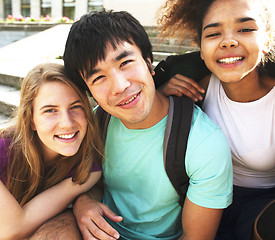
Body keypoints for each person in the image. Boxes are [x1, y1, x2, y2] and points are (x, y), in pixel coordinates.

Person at [61, 10, 233, 240]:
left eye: (126, 62)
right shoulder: (96, 123)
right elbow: (92, 180)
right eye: (98, 78)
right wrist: (84, 201)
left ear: (149, 63)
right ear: (89, 92)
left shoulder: (204, 143)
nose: (120, 86)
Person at [157, 0, 275, 239]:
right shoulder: (193, 88)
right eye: (213, 33)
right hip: (204, 200)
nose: (229, 41)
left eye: (245, 29)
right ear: (201, 49)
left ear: (266, 41)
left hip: (264, 208)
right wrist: (159, 96)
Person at [0, 62, 103, 239]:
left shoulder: (87, 167)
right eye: (50, 110)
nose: (67, 123)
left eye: (75, 107)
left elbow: (17, 226)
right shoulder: (4, 150)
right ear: (31, 120)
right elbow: (9, 230)